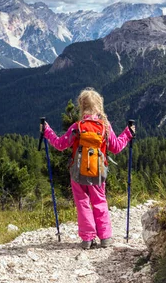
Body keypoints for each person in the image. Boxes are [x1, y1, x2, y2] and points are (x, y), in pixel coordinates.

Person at [42, 87, 134, 249]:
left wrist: (47, 131)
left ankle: (87, 239)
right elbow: (116, 147)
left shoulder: (77, 127)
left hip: (77, 171)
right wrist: (128, 133)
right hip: (98, 170)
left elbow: (60, 144)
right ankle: (105, 238)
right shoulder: (105, 126)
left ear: (81, 106)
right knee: (99, 201)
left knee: (82, 203)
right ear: (99, 105)